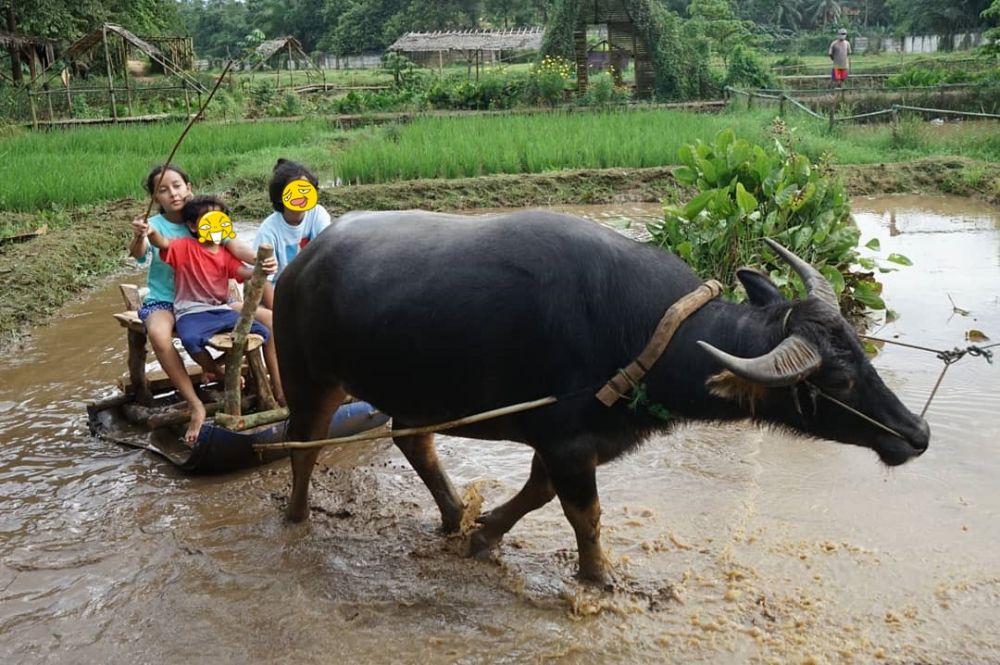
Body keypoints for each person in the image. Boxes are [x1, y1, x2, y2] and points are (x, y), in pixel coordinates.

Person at [129, 165, 275, 443]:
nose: (173, 193)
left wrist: (260, 260)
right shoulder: (154, 224)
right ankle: (195, 403)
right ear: (155, 197)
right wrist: (140, 233)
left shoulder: (206, 215)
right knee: (159, 334)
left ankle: (277, 389)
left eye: (177, 185)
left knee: (269, 319)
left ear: (188, 187)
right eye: (163, 190)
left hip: (211, 301)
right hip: (164, 300)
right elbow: (140, 252)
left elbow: (235, 247)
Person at [146, 195, 285, 423]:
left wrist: (262, 268)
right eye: (209, 221)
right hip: (191, 311)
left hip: (221, 308)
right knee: (191, 340)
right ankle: (217, 371)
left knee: (262, 332)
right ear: (193, 226)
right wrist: (151, 232)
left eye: (221, 220)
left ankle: (277, 389)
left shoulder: (224, 253)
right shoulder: (184, 246)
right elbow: (162, 243)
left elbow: (243, 272)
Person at [254, 158, 331, 307]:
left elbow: (328, 253)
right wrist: (277, 312)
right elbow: (264, 281)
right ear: (280, 196)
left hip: (311, 289)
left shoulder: (318, 214)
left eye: (305, 190)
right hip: (281, 294)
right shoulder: (269, 230)